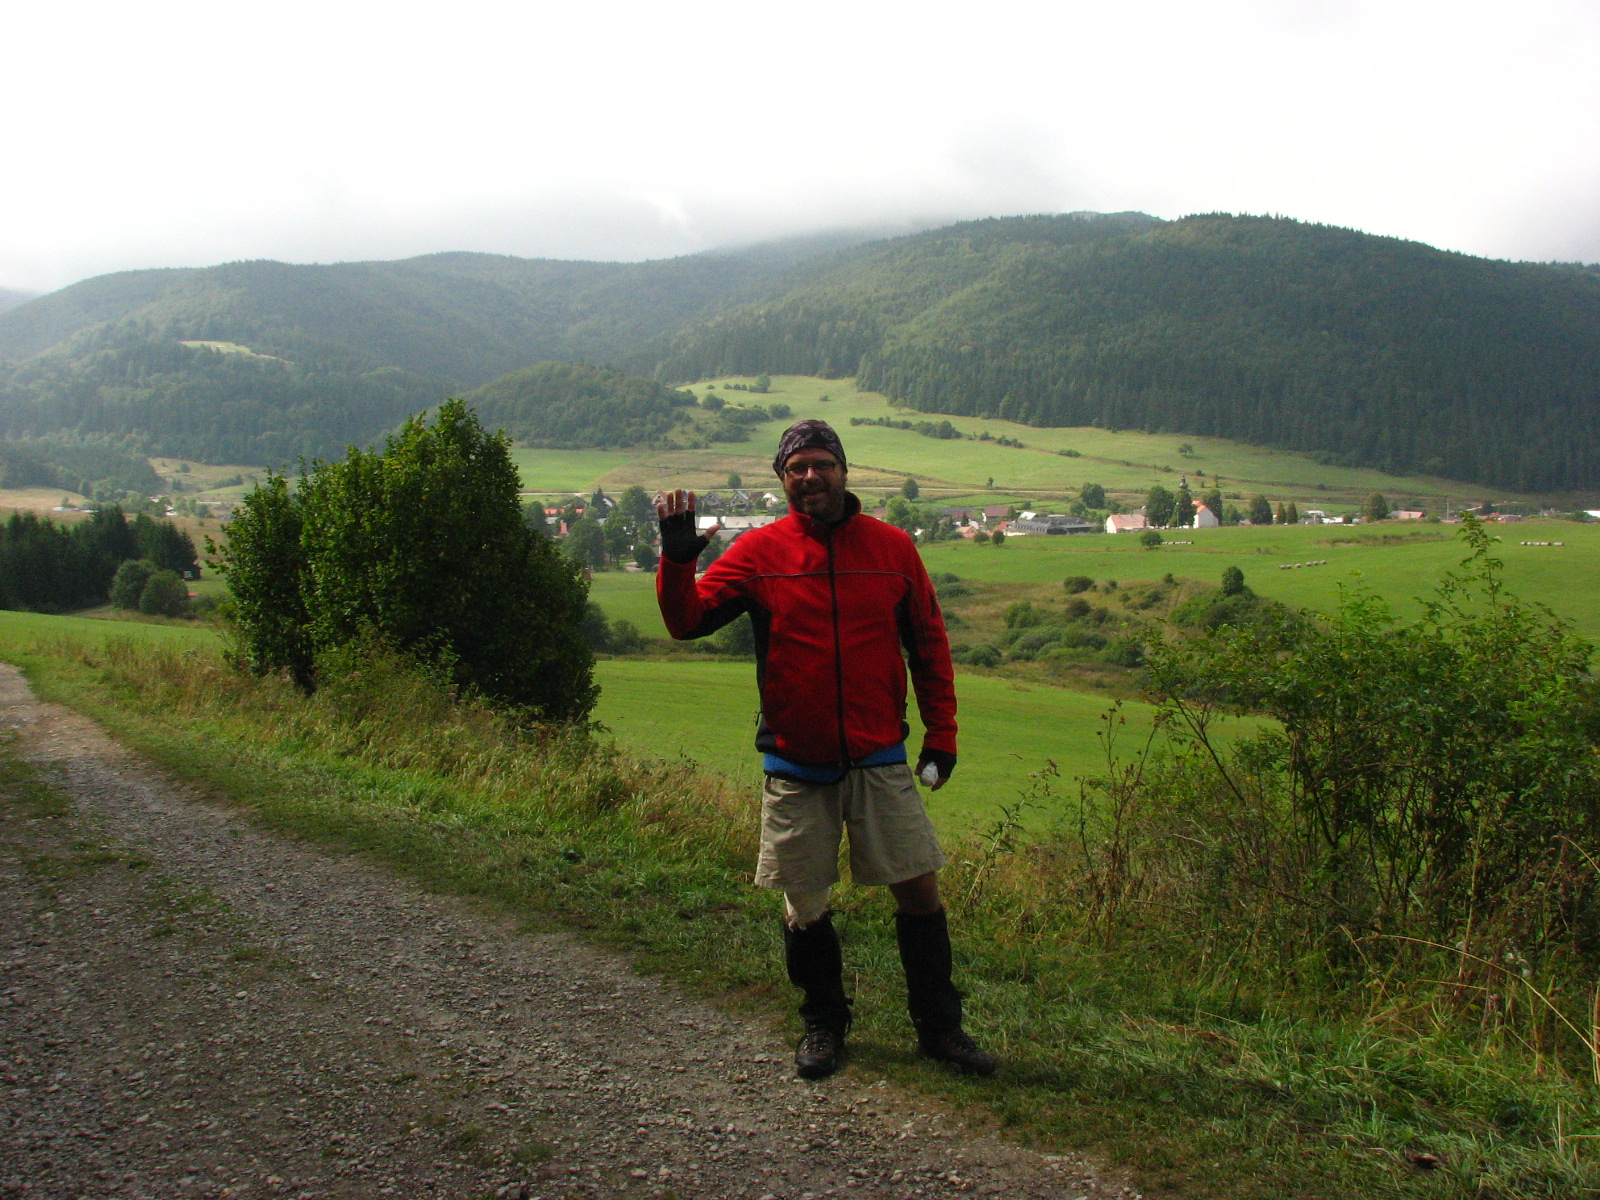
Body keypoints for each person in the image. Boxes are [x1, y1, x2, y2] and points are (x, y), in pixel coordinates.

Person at [655, 419, 994, 1080]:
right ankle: (823, 1023)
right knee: (804, 906)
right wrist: (676, 560)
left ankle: (940, 1029)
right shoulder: (759, 552)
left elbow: (929, 646)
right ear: (783, 480)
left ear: (843, 470)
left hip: (879, 756)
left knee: (919, 893)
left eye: (822, 464)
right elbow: (685, 621)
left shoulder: (893, 548)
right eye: (796, 468)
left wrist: (942, 736)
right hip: (795, 762)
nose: (811, 476)